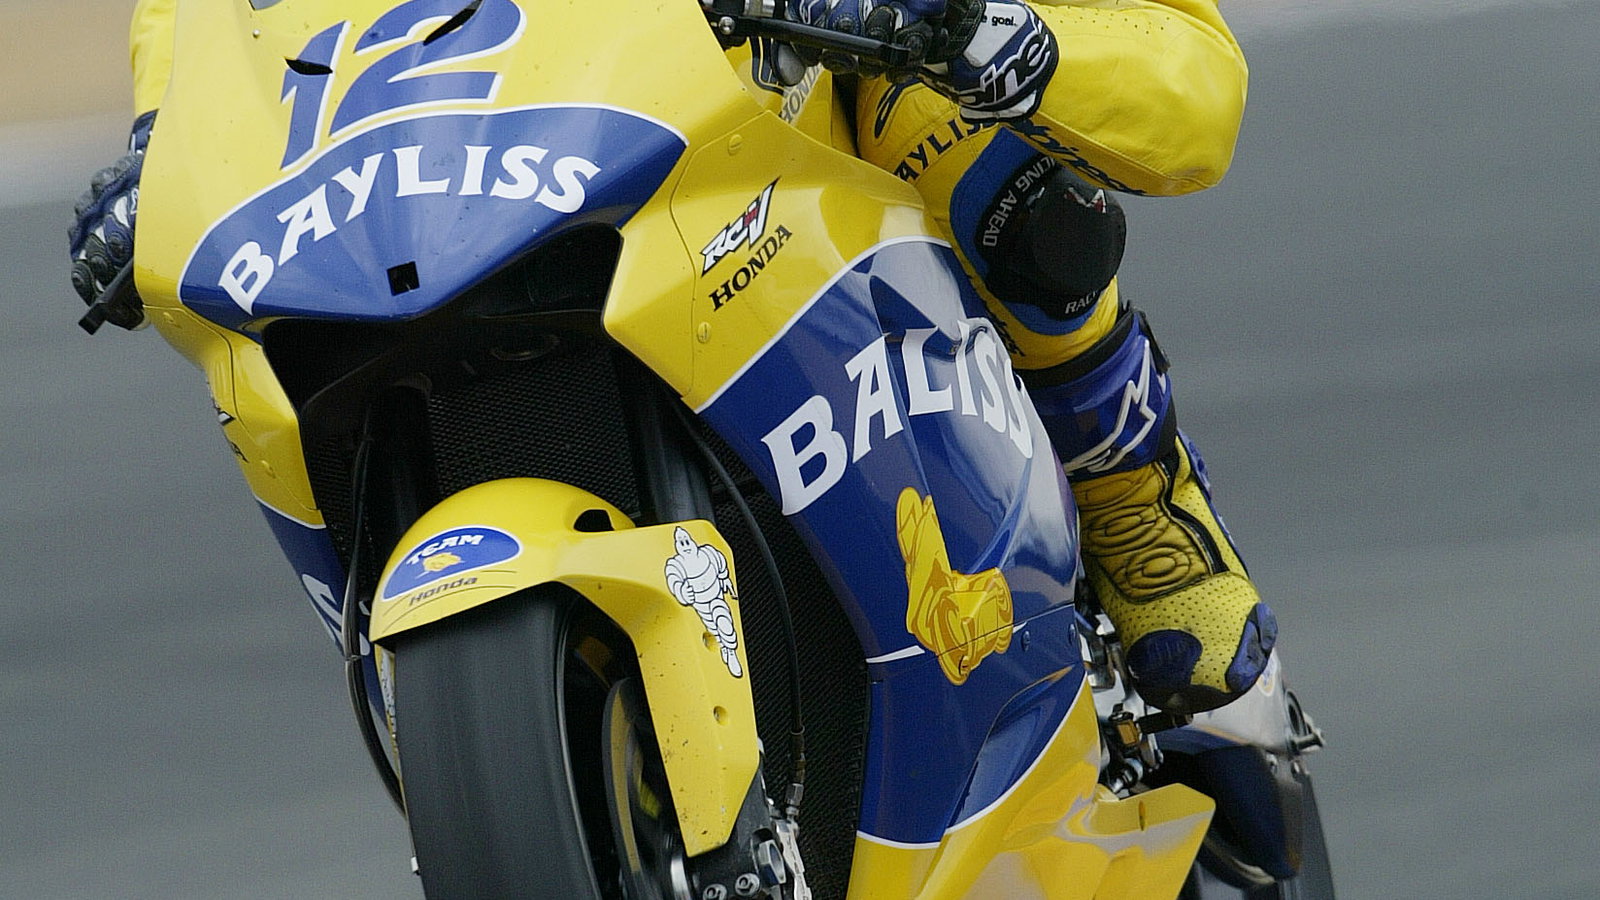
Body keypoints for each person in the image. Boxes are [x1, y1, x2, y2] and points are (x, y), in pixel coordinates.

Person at [68, 0, 1274, 715]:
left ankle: (1134, 501)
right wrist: (164, 138)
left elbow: (1191, 82)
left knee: (962, 140)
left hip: (767, 125)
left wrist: (991, 34)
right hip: (482, 137)